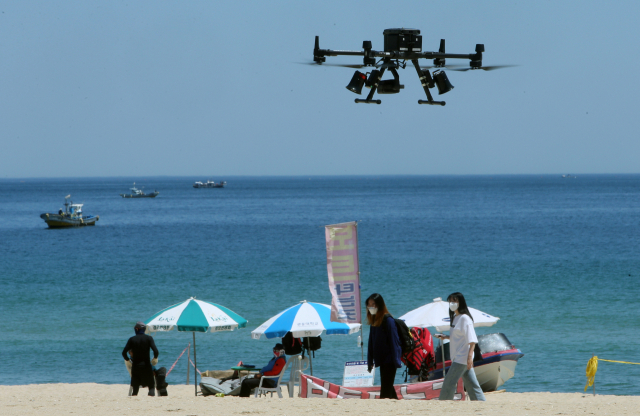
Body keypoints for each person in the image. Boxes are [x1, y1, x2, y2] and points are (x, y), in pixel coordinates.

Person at [435, 292, 486, 401]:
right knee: (472, 384)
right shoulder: (455, 317)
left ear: (460, 302)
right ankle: (480, 403)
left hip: (462, 357)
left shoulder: (465, 319)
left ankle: (443, 403)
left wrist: (469, 357)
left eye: (454, 301)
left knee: (449, 382)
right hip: (458, 356)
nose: (452, 303)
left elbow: (472, 340)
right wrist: (446, 337)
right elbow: (459, 336)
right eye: (450, 301)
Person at [366, 293, 402, 400]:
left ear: (380, 305)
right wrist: (370, 360)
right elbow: (371, 342)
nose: (371, 307)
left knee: (385, 392)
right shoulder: (374, 321)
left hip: (390, 360)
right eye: (369, 304)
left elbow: (394, 342)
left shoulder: (388, 320)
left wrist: (396, 361)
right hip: (381, 360)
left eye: (373, 304)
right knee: (388, 388)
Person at [122, 321, 159, 396]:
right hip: (146, 367)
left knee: (135, 389)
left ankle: (134, 400)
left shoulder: (132, 339)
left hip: (136, 367)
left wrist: (128, 360)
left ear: (137, 329)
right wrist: (154, 359)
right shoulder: (149, 338)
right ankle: (151, 400)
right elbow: (156, 351)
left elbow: (124, 353)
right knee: (151, 386)